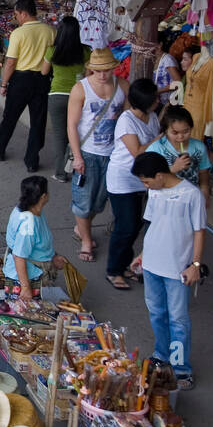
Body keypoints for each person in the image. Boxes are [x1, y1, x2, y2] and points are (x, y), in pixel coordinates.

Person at [131, 152, 206, 390]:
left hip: (176, 269)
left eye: (147, 181)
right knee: (157, 313)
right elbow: (153, 224)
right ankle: (161, 355)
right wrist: (142, 255)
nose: (146, 185)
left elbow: (199, 231)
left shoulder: (191, 194)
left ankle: (181, 368)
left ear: (160, 175)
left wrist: (195, 265)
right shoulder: (155, 190)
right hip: (152, 265)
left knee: (178, 319)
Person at [66, 47, 128, 264]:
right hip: (88, 152)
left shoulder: (123, 86)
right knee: (83, 200)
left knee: (99, 201)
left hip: (113, 154)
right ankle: (85, 240)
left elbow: (127, 120)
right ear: (90, 69)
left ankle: (82, 228)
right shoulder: (80, 89)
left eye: (107, 70)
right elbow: (72, 125)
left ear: (113, 68)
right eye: (98, 71)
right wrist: (77, 156)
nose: (103, 75)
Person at [0, 0, 55, 171]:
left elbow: (10, 62)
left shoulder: (18, 33)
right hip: (42, 80)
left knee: (10, 116)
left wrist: (5, 83)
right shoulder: (51, 31)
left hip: (21, 80)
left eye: (16, 14)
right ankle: (32, 161)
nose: (16, 18)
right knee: (38, 121)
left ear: (23, 13)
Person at [104, 78, 160, 290]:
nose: (158, 101)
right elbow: (137, 152)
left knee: (135, 224)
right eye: (154, 98)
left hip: (141, 181)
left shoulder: (152, 116)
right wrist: (162, 138)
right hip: (122, 180)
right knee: (125, 226)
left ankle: (124, 265)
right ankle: (113, 270)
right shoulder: (127, 120)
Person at [3, 175, 68, 298]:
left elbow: (40, 243)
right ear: (43, 197)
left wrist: (53, 256)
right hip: (25, 279)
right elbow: (19, 256)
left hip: (33, 274)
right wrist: (26, 288)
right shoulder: (28, 226)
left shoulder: (34, 210)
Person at [46, 16, 88, 182]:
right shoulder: (86, 51)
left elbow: (43, 71)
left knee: (59, 136)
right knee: (78, 132)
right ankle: (78, 166)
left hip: (57, 96)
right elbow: (89, 74)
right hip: (79, 96)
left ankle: (60, 173)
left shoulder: (52, 50)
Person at [148, 105, 212, 205]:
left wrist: (204, 189)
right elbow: (149, 179)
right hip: (164, 202)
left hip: (191, 199)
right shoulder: (156, 149)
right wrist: (173, 168)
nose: (181, 136)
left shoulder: (199, 147)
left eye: (186, 131)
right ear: (166, 131)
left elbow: (203, 172)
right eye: (175, 132)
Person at [181, 42, 213, 139]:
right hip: (187, 105)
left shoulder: (211, 64)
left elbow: (210, 90)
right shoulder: (196, 57)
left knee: (195, 138)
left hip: (199, 108)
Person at [153, 28, 182, 110]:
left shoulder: (167, 60)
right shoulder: (153, 59)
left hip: (169, 104)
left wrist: (158, 91)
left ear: (160, 45)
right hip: (159, 103)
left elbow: (178, 83)